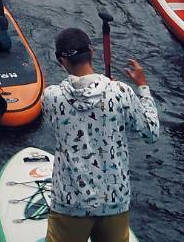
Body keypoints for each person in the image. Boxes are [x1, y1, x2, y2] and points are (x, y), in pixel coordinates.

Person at [38, 27, 159, 242]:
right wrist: (142, 87)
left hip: (70, 202)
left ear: (61, 61)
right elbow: (151, 133)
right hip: (115, 201)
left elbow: (54, 125)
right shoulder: (121, 92)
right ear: (91, 53)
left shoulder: (51, 97)